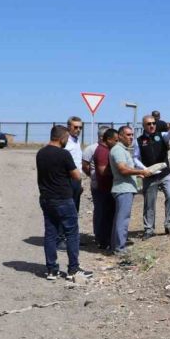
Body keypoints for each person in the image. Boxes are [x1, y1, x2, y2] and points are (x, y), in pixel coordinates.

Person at [36, 125, 93, 281]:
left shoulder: (40, 153)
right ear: (61, 137)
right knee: (72, 233)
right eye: (67, 138)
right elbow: (76, 175)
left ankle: (51, 270)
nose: (67, 140)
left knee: (50, 233)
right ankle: (73, 269)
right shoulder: (64, 154)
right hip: (63, 198)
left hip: (46, 198)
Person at [109, 126, 152, 254]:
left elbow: (126, 170)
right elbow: (122, 169)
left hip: (125, 188)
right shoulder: (118, 150)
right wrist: (141, 171)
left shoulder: (123, 150)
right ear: (120, 136)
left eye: (132, 134)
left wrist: (137, 174)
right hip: (123, 189)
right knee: (123, 219)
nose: (131, 137)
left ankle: (116, 246)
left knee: (120, 218)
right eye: (128, 135)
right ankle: (119, 248)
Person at [134, 115, 170, 239]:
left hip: (165, 173)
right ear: (143, 126)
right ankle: (149, 229)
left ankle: (168, 224)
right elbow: (135, 158)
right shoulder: (139, 140)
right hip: (150, 175)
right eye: (148, 124)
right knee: (149, 203)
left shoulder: (161, 135)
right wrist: (144, 169)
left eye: (153, 123)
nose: (152, 126)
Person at [57, 116, 84, 250]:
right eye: (75, 127)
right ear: (69, 126)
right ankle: (60, 239)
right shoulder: (65, 142)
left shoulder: (76, 141)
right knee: (65, 211)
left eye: (80, 127)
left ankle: (71, 238)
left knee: (74, 211)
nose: (78, 130)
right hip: (67, 181)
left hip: (76, 181)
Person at [83, 126, 109, 244]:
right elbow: (85, 166)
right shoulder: (91, 149)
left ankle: (105, 234)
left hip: (109, 184)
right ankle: (98, 235)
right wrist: (93, 176)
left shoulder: (111, 148)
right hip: (97, 185)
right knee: (99, 209)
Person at [92, 128, 118, 250]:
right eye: (115, 140)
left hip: (107, 188)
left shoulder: (106, 149)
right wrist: (118, 170)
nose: (117, 143)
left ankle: (106, 240)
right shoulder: (102, 152)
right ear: (108, 139)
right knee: (105, 216)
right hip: (105, 189)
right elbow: (102, 171)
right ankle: (104, 242)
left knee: (108, 215)